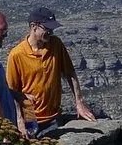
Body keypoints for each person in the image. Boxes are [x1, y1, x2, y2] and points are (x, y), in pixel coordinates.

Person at [6, 7, 95, 137]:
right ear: (33, 26)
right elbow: (12, 91)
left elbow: (69, 73)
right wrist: (19, 120)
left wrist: (79, 102)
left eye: (52, 29)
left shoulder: (56, 44)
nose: (50, 32)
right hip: (30, 119)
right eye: (47, 29)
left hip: (54, 117)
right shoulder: (17, 55)